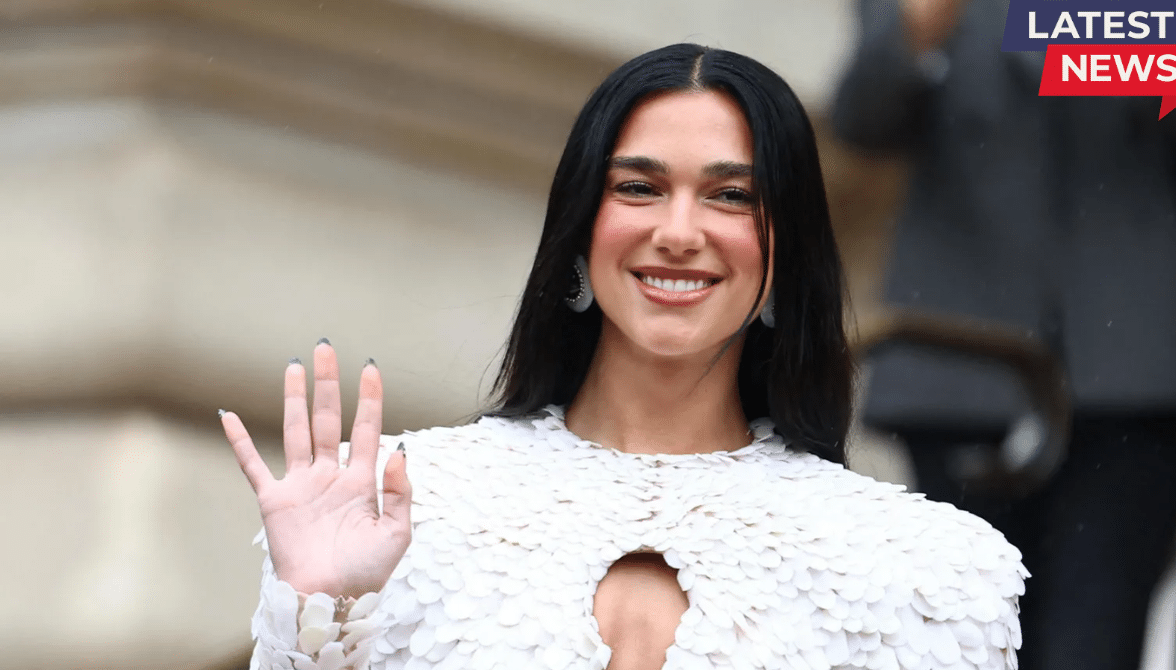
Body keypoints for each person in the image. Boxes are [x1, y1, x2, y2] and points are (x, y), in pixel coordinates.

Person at [222, 44, 1027, 670]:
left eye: (731, 195)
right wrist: (311, 615)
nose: (678, 231)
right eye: (639, 187)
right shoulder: (401, 505)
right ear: (580, 233)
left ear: (786, 256)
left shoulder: (928, 570)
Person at [832, 1, 1176, 669]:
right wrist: (920, 27)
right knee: (959, 636)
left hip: (1134, 369)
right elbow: (862, 117)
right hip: (958, 363)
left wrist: (1060, 24)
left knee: (1092, 640)